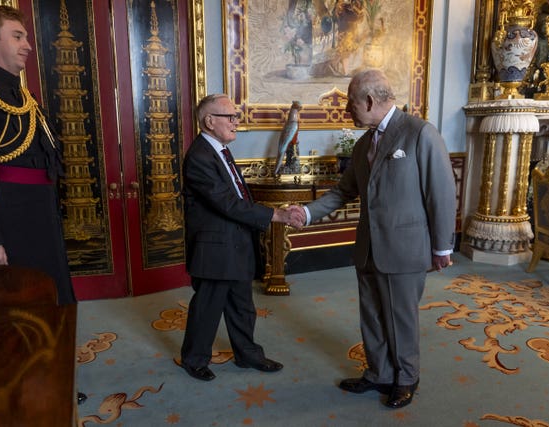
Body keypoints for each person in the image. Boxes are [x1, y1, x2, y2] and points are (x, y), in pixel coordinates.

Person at [289, 68, 456, 409]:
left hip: (405, 250)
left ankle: (407, 377)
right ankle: (379, 373)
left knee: (400, 318)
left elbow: (441, 193)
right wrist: (307, 214)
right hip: (367, 249)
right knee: (372, 315)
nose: (347, 110)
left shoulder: (419, 133)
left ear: (368, 100)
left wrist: (442, 246)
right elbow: (342, 192)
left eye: (351, 103)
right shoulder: (365, 142)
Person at [0, 4, 75, 305]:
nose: (28, 46)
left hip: (39, 214)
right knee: (21, 308)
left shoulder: (23, 95)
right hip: (8, 220)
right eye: (18, 37)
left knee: (50, 297)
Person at [180, 94, 301, 381]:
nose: (236, 121)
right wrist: (275, 215)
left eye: (236, 116)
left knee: (242, 305)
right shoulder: (199, 156)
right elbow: (226, 203)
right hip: (214, 247)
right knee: (208, 307)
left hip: (235, 242)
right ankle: (194, 359)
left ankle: (247, 354)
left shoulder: (219, 148)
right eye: (230, 116)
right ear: (210, 121)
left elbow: (236, 194)